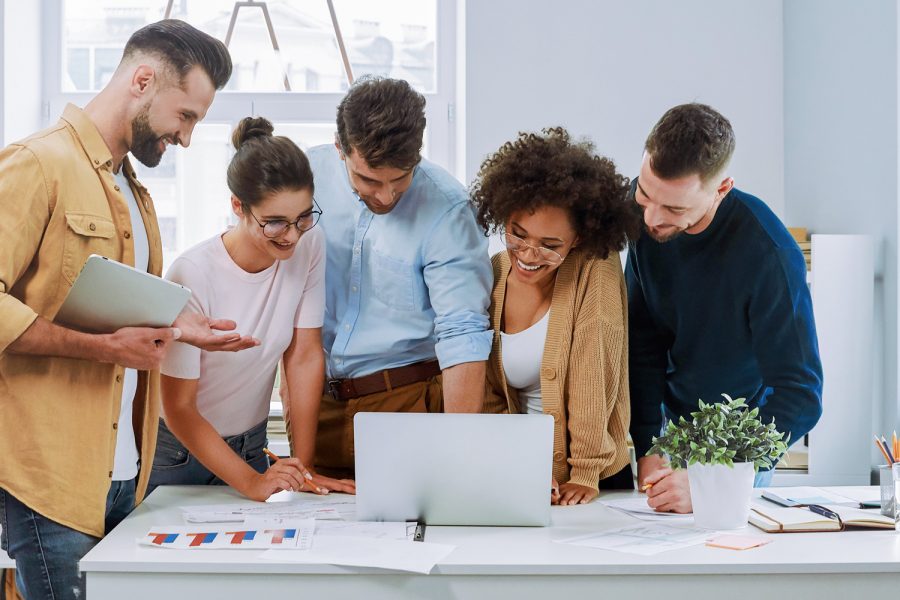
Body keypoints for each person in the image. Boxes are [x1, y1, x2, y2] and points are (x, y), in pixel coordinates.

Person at [0, 20, 257, 600]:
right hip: (52, 479)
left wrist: (177, 327)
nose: (187, 137)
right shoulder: (37, 164)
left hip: (126, 476)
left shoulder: (132, 194)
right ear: (142, 80)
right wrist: (104, 348)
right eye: (186, 116)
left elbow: (105, 308)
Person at [627, 103, 823, 513]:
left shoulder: (769, 253)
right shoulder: (647, 215)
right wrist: (648, 444)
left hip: (739, 444)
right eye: (645, 194)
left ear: (722, 188)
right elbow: (643, 342)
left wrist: (714, 477)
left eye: (675, 209)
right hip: (670, 432)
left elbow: (799, 393)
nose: (651, 218)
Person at [148, 116, 355, 500]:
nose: (292, 235)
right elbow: (178, 408)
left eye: (303, 217)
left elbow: (304, 356)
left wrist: (301, 467)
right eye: (275, 223)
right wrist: (251, 483)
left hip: (253, 446)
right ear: (238, 206)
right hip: (179, 454)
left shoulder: (309, 244)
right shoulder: (192, 273)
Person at [298, 76, 492, 479]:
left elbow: (463, 333)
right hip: (314, 407)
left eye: (400, 179)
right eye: (368, 180)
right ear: (340, 148)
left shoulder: (448, 209)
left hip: (406, 403)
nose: (385, 196)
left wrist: (462, 456)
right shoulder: (305, 178)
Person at [472, 128, 640, 505]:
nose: (529, 255)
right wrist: (522, 464)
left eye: (550, 246)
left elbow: (594, 370)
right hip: (526, 476)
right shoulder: (494, 273)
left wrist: (583, 470)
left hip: (591, 477)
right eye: (518, 235)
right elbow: (494, 396)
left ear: (579, 238)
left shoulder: (595, 266)